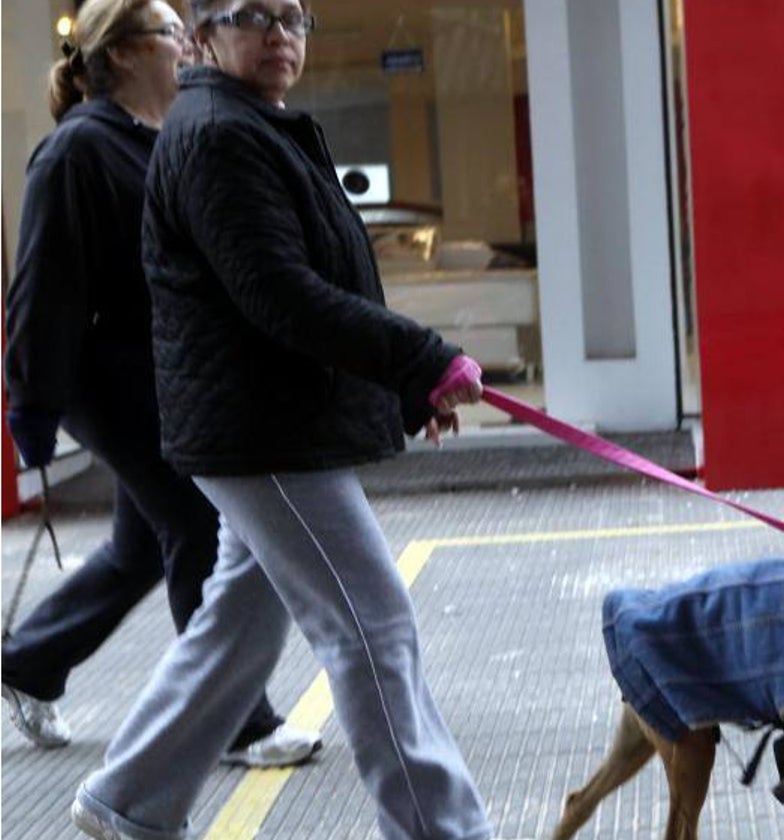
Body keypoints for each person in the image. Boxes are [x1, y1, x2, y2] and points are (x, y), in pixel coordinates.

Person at [72, 1, 497, 838]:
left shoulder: (245, 125)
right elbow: (282, 297)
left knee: (239, 626)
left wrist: (405, 390)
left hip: (263, 424)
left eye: (294, 16)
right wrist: (418, 359)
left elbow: (308, 290)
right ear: (202, 37)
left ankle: (127, 802)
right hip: (263, 435)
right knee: (374, 628)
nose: (280, 33)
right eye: (252, 15)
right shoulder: (219, 136)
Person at [2, 0, 320, 768]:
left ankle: (28, 661)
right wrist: (32, 403)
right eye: (168, 32)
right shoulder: (76, 152)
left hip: (168, 371)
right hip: (107, 379)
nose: (186, 42)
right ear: (119, 54)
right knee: (198, 526)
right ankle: (239, 721)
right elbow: (41, 286)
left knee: (141, 546)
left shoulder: (172, 136)